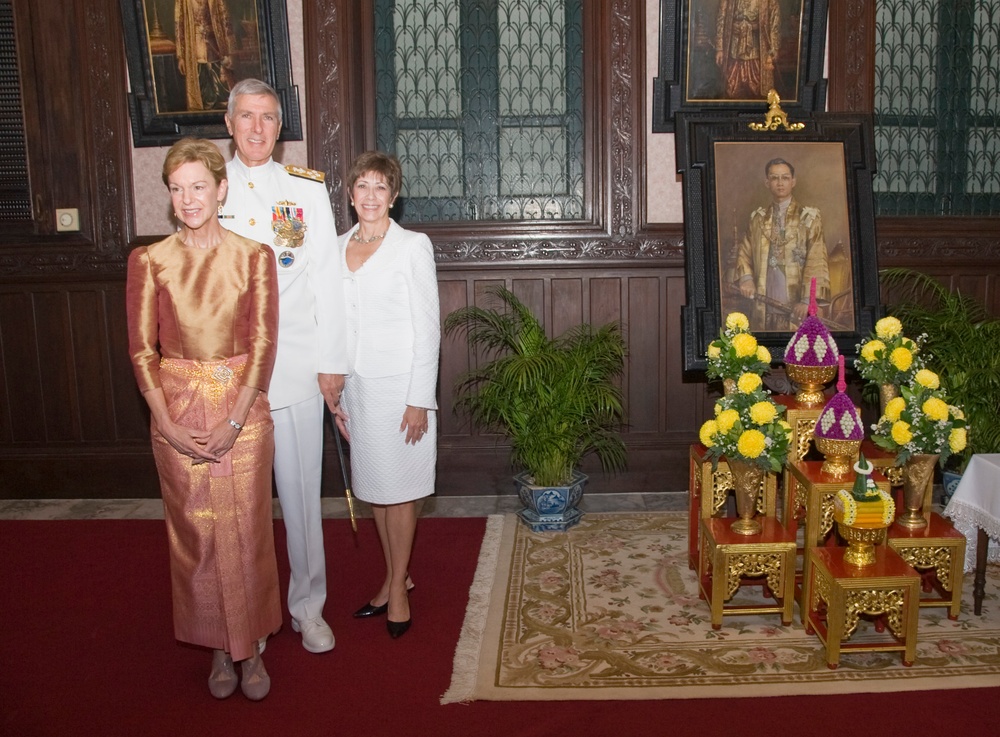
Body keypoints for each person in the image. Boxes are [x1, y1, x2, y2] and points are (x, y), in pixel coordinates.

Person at [126, 137, 280, 700]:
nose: (188, 199)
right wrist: (164, 421)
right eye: (176, 188)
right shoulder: (149, 261)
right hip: (177, 409)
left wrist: (235, 421)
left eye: (198, 186)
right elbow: (142, 351)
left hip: (243, 409)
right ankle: (219, 645)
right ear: (168, 197)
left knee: (246, 529)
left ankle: (253, 645)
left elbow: (263, 346)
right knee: (197, 534)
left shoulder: (253, 256)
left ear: (221, 189)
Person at [219, 78, 348, 654]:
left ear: (280, 126)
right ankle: (250, 614)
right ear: (229, 124)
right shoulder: (210, 190)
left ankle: (308, 607)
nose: (256, 128)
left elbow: (326, 280)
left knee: (299, 495)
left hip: (295, 366)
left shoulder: (303, 189)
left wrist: (331, 364)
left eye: (268, 118)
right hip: (230, 373)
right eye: (246, 117)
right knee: (240, 505)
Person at [336, 151, 440, 639]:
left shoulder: (412, 246)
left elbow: (428, 328)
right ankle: (398, 574)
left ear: (393, 197)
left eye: (381, 187)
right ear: (350, 194)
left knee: (400, 493)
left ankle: (396, 588)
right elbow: (331, 324)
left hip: (402, 392)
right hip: (357, 390)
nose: (371, 196)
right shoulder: (334, 248)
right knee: (376, 490)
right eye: (363, 186)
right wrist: (334, 392)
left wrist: (420, 398)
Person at [733, 157, 830, 330]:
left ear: (793, 181)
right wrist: (746, 279)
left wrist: (807, 300)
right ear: (766, 182)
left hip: (795, 301)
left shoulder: (809, 218)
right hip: (765, 296)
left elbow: (817, 261)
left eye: (785, 178)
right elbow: (744, 252)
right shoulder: (758, 219)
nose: (780, 183)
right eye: (774, 178)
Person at [174, 0, 237, 110]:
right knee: (202, 80)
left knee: (221, 85)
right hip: (194, 47)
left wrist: (230, 51)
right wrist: (181, 56)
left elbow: (225, 20)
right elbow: (179, 25)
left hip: (215, 43)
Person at [715, 0, 781, 99]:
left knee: (757, 87)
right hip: (734, 48)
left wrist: (773, 49)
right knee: (730, 87)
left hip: (757, 48)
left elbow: (774, 19)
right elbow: (721, 17)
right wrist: (720, 48)